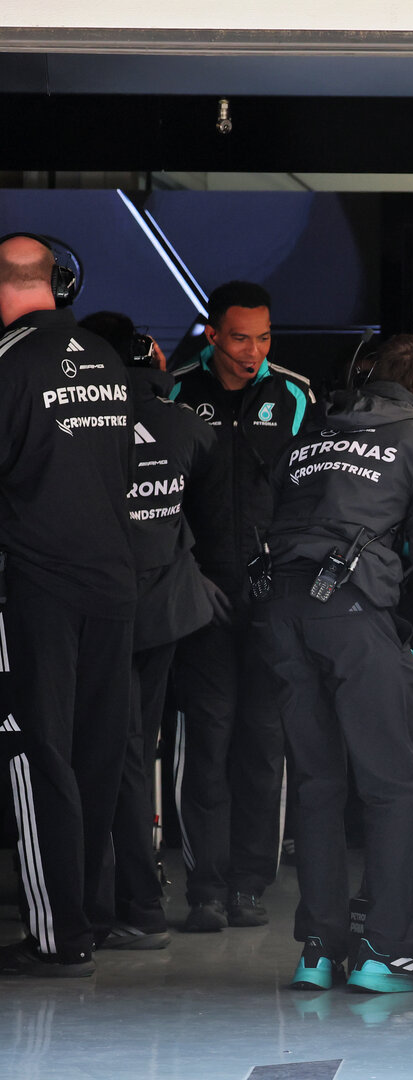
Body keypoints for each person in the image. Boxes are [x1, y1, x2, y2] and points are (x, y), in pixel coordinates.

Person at [255, 333, 413, 992]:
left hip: (281, 614)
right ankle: (386, 951)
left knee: (318, 784)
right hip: (351, 616)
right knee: (392, 784)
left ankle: (319, 949)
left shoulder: (311, 438)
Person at [0, 234, 135, 976]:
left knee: (36, 758)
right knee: (94, 757)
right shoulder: (107, 364)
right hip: (113, 588)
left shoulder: (9, 362)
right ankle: (88, 915)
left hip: (40, 592)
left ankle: (57, 934)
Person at [75, 312, 229, 950]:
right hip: (167, 614)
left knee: (109, 760)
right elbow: (212, 526)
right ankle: (132, 897)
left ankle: (129, 903)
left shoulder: (80, 432)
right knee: (136, 754)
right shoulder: (190, 427)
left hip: (96, 617)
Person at [168, 281, 316, 932]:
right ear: (211, 335)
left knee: (263, 738)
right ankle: (204, 884)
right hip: (195, 585)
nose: (251, 351)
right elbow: (151, 500)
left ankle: (249, 883)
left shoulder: (294, 396)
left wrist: (285, 579)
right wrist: (183, 573)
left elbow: (312, 497)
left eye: (262, 337)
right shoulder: (173, 393)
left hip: (265, 584)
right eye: (238, 337)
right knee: (206, 737)